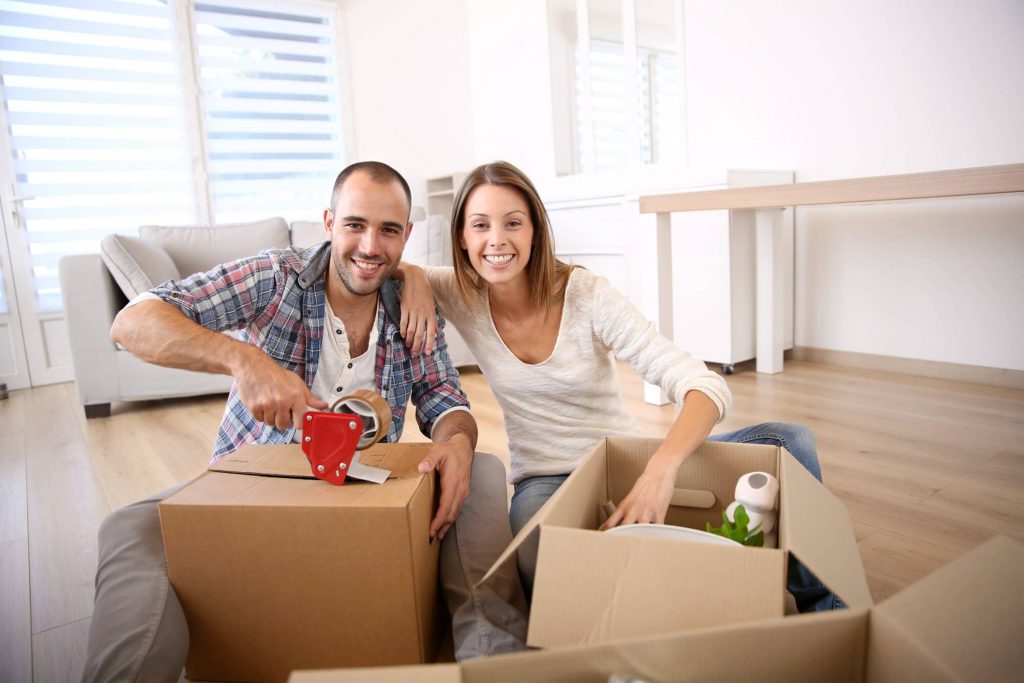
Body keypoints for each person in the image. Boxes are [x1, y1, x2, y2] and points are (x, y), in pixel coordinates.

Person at [81, 162, 528, 683]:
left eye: (388, 231)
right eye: (355, 225)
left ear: (406, 236)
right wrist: (244, 361)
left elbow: (443, 398)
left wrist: (458, 442)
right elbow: (132, 320)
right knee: (128, 528)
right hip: (257, 490)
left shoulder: (411, 306)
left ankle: (497, 667)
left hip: (367, 499)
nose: (370, 246)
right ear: (328, 223)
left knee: (484, 470)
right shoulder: (276, 277)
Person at [396, 161, 839, 611]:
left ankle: (826, 611)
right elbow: (377, 260)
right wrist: (413, 277)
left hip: (624, 459)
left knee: (790, 442)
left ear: (534, 230)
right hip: (544, 480)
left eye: (513, 222)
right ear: (463, 238)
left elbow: (703, 385)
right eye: (480, 225)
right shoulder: (459, 292)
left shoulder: (586, 294)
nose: (497, 240)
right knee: (535, 559)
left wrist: (659, 472)